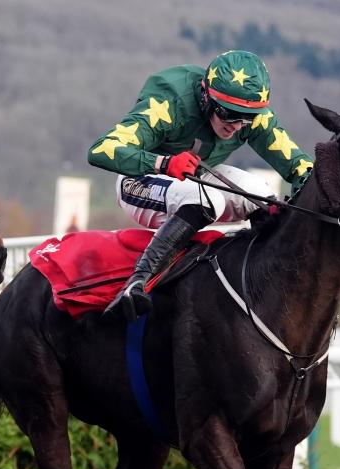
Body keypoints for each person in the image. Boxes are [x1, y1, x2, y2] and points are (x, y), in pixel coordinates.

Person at [87, 50, 314, 319]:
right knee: (208, 200)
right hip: (138, 181)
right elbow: (102, 150)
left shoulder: (252, 115)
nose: (236, 126)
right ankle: (137, 282)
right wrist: (163, 163)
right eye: (228, 114)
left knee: (265, 197)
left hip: (193, 178)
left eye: (247, 118)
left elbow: (301, 168)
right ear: (206, 97)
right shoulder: (170, 103)